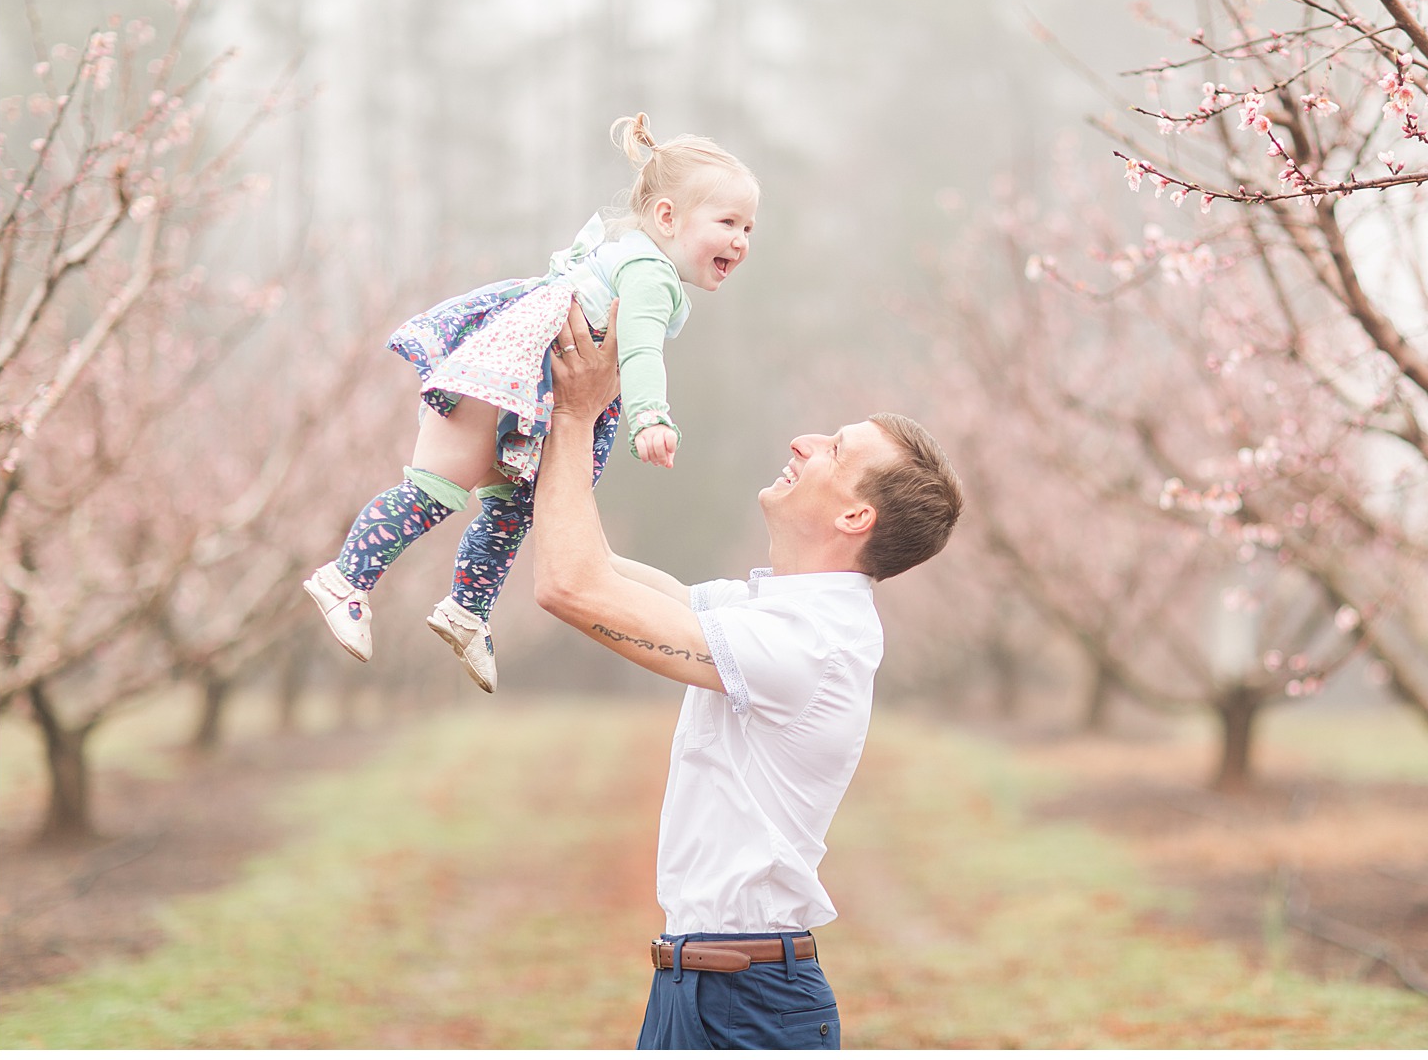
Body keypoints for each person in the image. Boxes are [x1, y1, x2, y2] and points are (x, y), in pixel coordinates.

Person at [532, 301, 963, 1050]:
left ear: (857, 517)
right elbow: (593, 566)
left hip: (747, 1003)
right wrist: (534, 448)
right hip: (696, 983)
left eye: (833, 448)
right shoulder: (772, 612)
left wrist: (575, 417)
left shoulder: (807, 643)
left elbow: (570, 589)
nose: (802, 441)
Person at [304, 113, 759, 693]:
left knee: (512, 507)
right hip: (507, 384)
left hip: (525, 393)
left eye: (749, 227)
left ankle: (468, 611)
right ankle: (346, 579)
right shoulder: (651, 274)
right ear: (667, 217)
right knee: (437, 489)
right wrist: (650, 418)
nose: (741, 240)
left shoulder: (630, 258)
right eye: (728, 223)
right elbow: (642, 351)